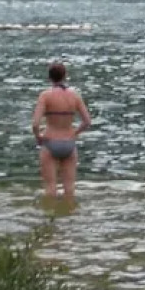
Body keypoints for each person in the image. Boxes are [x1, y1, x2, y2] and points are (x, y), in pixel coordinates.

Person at [31, 62, 92, 199]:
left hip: (50, 141)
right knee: (70, 189)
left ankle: (52, 217)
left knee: (50, 188)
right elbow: (87, 121)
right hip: (69, 142)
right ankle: (70, 217)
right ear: (65, 76)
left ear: (49, 77)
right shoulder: (75, 95)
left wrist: (38, 136)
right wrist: (75, 133)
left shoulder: (45, 96)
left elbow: (35, 123)